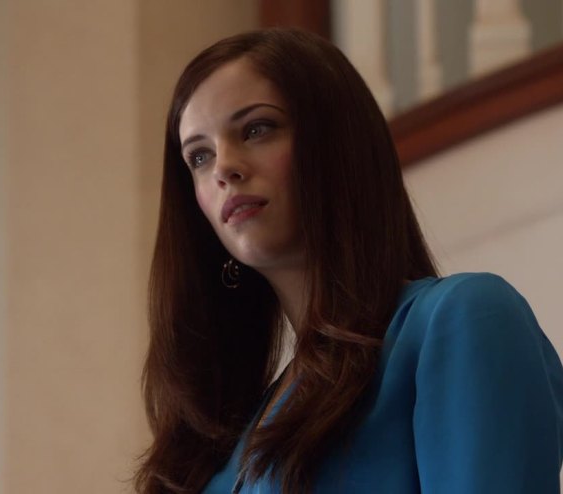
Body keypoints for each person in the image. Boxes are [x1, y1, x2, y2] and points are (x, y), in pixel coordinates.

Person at [133, 27, 563, 493]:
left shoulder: (464, 317)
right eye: (199, 156)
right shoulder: (223, 437)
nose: (223, 168)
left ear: (337, 143)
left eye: (257, 129)